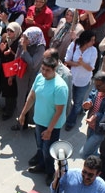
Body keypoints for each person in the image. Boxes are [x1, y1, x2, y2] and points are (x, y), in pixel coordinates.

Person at [18, 55, 69, 184]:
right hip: (39, 121)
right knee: (40, 147)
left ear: (55, 69)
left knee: (48, 151)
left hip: (52, 126)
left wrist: (49, 130)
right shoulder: (40, 77)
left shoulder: (60, 87)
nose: (44, 72)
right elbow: (32, 96)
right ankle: (41, 166)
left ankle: (50, 172)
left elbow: (59, 111)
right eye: (43, 69)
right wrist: (23, 113)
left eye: (48, 70)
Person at [80, 72, 105, 158]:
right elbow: (91, 96)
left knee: (84, 154)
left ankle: (104, 161)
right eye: (95, 85)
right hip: (91, 126)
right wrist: (88, 103)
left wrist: (97, 116)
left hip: (100, 130)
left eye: (98, 86)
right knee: (91, 151)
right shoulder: (98, 87)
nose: (96, 88)